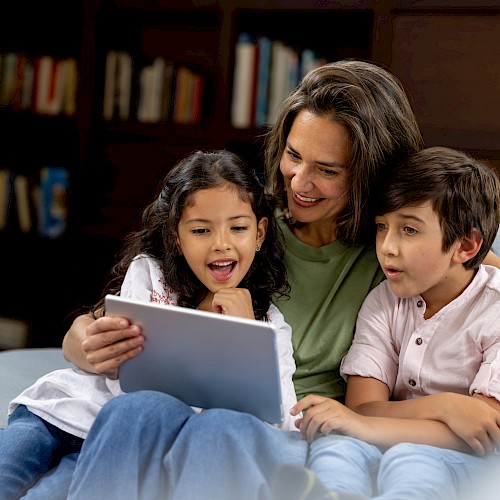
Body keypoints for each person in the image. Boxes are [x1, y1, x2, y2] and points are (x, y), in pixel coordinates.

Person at [64, 60, 500, 499]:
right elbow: (99, 321)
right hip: (190, 406)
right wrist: (86, 342)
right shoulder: (244, 226)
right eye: (294, 156)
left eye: (328, 170)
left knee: (218, 431)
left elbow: (475, 267)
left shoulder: (395, 251)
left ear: (372, 172)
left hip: (288, 428)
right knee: (131, 419)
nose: (300, 182)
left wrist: (449, 405)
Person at [0, 149, 297, 500]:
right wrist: (92, 343)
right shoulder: (152, 276)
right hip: (60, 411)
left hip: (112, 441)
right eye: (201, 230)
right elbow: (109, 351)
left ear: (260, 233)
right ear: (176, 236)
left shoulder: (269, 326)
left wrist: (244, 335)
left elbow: (280, 422)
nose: (221, 244)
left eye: (239, 228)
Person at [273, 146, 500, 499]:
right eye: (382, 227)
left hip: (473, 460)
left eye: (409, 230)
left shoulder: (494, 309)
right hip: (385, 437)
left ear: (466, 246)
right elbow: (362, 408)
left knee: (412, 460)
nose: (387, 247)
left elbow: (484, 430)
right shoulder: (384, 300)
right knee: (337, 447)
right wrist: (444, 407)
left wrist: (365, 425)